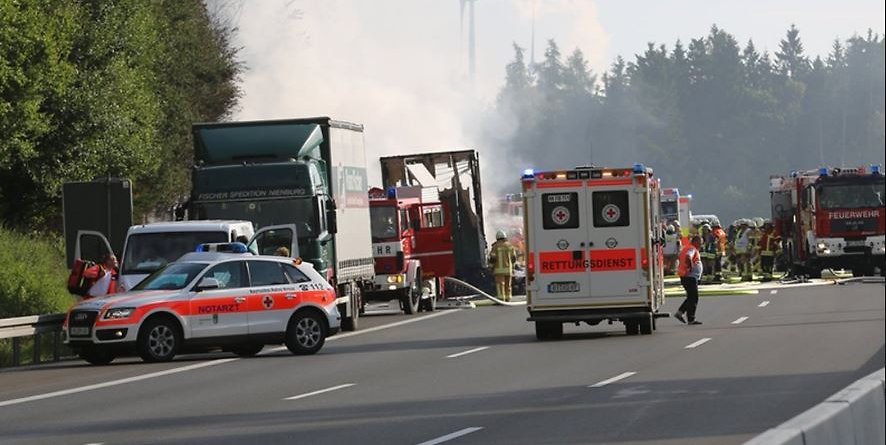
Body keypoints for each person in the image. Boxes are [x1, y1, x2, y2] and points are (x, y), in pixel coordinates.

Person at [674, 235, 703, 325]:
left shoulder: (687, 248)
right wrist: (690, 267)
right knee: (694, 297)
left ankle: (680, 312)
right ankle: (691, 319)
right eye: (700, 242)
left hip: (686, 276)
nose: (701, 244)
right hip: (689, 276)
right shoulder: (692, 249)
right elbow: (688, 257)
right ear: (695, 241)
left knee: (691, 297)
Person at [488, 229, 517, 302]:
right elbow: (514, 258)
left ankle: (501, 299)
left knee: (500, 285)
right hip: (508, 270)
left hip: (499, 270)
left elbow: (493, 258)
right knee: (508, 285)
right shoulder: (510, 246)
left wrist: (490, 268)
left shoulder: (495, 247)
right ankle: (508, 298)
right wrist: (513, 267)